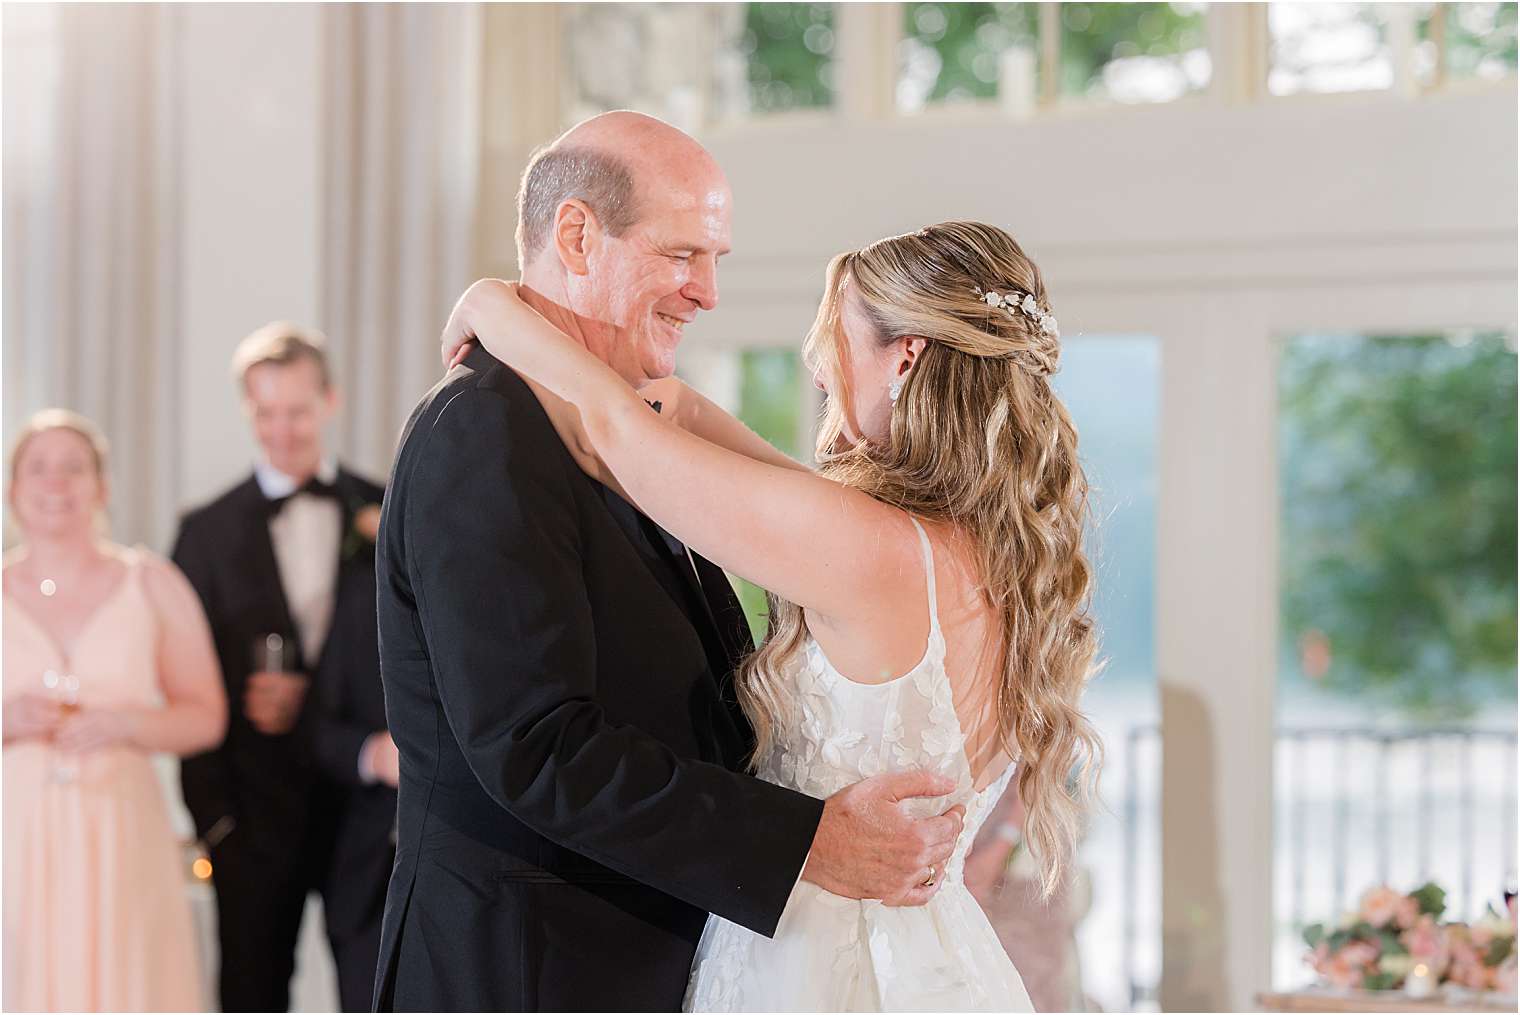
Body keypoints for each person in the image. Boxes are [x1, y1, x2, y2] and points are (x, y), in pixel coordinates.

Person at [374, 111, 967, 1012]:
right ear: (577, 235)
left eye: (716, 259)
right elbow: (536, 746)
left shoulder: (630, 425)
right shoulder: (485, 432)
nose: (708, 292)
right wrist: (805, 841)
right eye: (685, 254)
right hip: (527, 971)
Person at [440, 216, 1105, 1009]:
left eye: (838, 339)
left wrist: (490, 303)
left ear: (906, 355)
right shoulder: (977, 551)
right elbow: (732, 450)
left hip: (819, 964)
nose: (822, 370)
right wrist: (677, 402)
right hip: (935, 959)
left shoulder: (866, 548)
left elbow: (607, 429)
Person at [171, 324, 389, 1012]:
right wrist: (215, 824)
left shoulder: (386, 507)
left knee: (375, 991)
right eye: (266, 412)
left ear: (330, 401)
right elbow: (184, 672)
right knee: (251, 994)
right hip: (254, 810)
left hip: (367, 810)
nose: (282, 430)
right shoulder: (204, 532)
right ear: (248, 411)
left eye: (296, 410)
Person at [3, 409, 226, 1011]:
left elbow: (206, 716)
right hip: (15, 836)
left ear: (101, 487)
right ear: (12, 489)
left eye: (74, 468)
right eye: (39, 469)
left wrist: (127, 724)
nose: (57, 484)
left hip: (122, 830)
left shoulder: (150, 583)